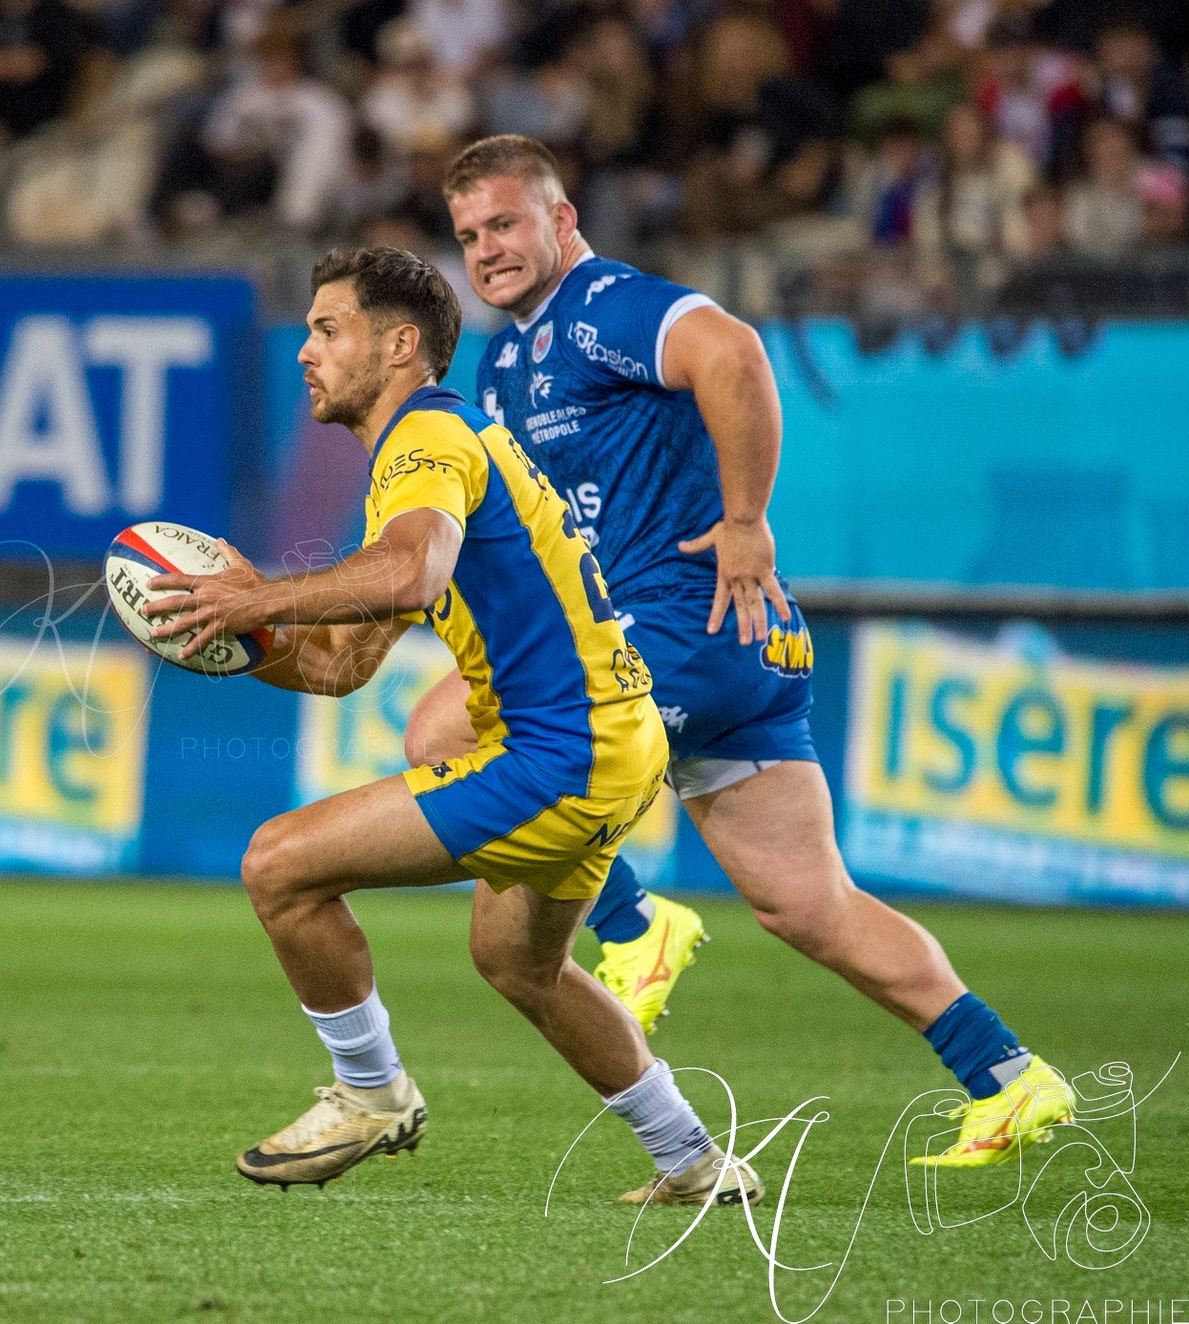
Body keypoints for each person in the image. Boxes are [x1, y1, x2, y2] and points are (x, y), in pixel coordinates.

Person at [422, 133, 1068, 1170]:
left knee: (443, 729)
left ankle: (632, 926)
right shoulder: (503, 359)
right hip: (727, 648)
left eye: (503, 222)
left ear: (560, 217)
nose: (486, 248)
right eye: (467, 235)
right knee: (808, 904)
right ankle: (1006, 1074)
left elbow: (731, 353)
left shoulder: (607, 307)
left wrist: (742, 518)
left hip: (683, 620)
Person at [144, 246, 761, 1208]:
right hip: (612, 738)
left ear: (400, 345)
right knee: (518, 961)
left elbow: (415, 571)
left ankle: (370, 1092)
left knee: (277, 863)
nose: (305, 350)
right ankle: (691, 1157)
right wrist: (239, 632)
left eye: (327, 328)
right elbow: (341, 665)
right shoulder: (444, 446)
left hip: (564, 750)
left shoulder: (425, 444)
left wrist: (261, 589)